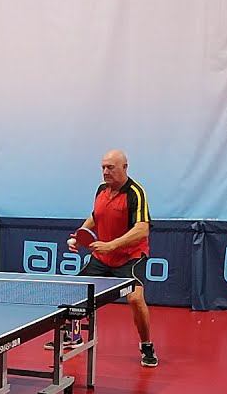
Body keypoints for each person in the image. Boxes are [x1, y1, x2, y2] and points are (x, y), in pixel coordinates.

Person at [53, 149, 158, 367]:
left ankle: (146, 344)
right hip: (102, 257)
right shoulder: (101, 190)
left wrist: (111, 245)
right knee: (75, 291)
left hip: (129, 257)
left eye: (110, 167)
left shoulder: (135, 192)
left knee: (135, 299)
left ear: (124, 168)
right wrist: (79, 235)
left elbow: (142, 229)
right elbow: (95, 216)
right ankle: (74, 336)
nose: (105, 172)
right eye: (103, 167)